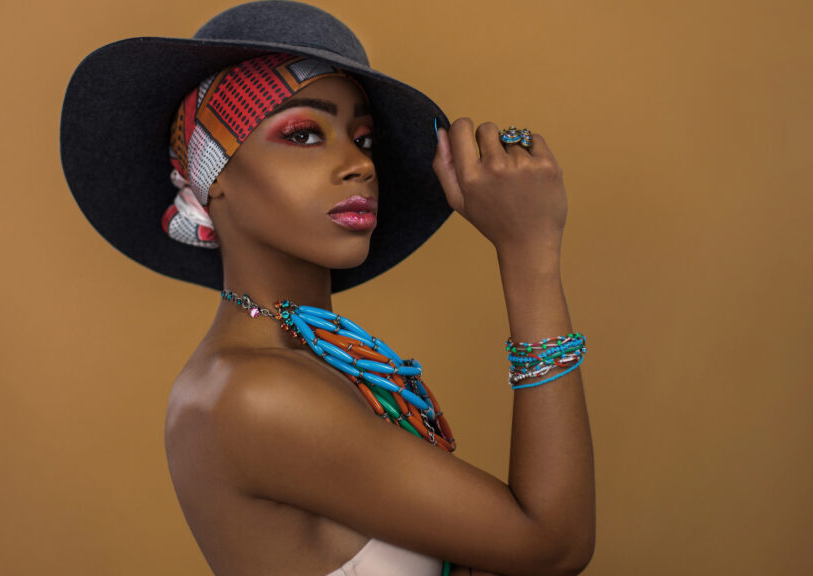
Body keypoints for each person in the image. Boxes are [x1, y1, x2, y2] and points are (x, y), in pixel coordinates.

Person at [59, 2, 595, 575]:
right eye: (305, 133)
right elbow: (551, 545)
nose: (356, 165)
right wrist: (529, 252)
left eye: (362, 140)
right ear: (213, 180)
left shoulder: (316, 363)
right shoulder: (255, 393)